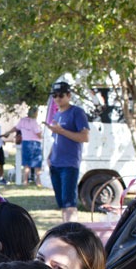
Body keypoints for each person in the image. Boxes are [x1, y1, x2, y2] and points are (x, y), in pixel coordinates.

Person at [45, 81, 90, 221]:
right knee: (62, 203)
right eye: (54, 95)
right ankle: (66, 230)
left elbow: (85, 137)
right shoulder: (57, 115)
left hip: (69, 164)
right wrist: (49, 156)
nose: (57, 98)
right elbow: (56, 138)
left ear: (69, 95)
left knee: (69, 202)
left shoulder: (77, 112)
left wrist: (62, 131)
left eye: (61, 95)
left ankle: (72, 233)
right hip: (55, 163)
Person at [6, 106, 44, 186]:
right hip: (35, 143)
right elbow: (38, 133)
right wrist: (42, 137)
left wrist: (8, 132)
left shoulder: (22, 121)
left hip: (25, 143)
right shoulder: (34, 122)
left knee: (26, 163)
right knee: (37, 163)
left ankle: (25, 181)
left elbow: (16, 128)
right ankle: (38, 181)